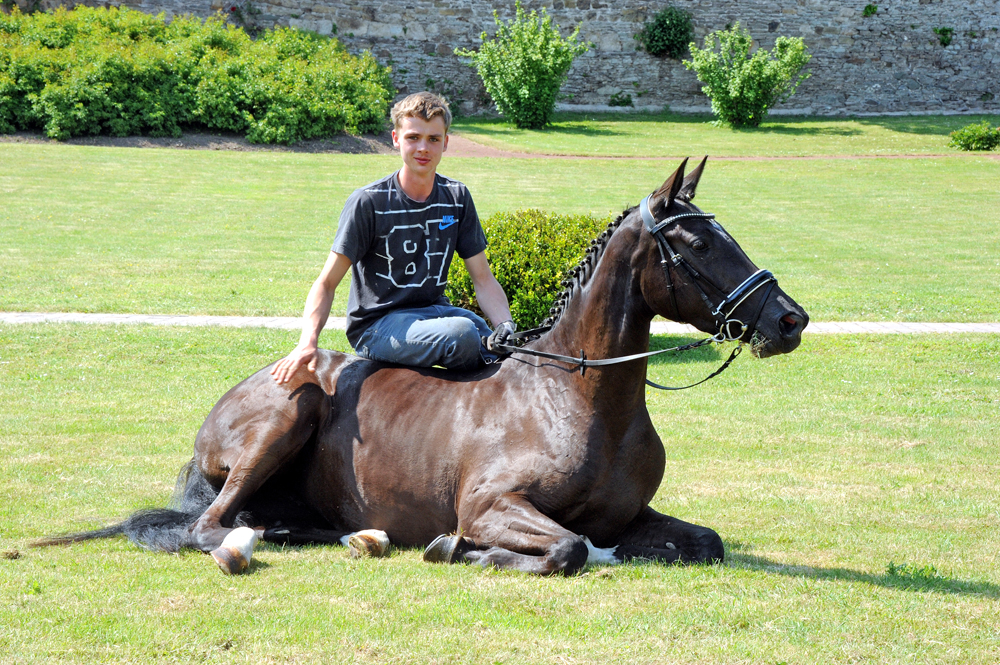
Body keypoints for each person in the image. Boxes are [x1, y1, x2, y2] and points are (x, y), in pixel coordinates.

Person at [271, 92, 516, 384]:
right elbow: (326, 282)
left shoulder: (457, 197)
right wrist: (307, 342)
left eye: (434, 139)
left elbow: (483, 279)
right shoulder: (369, 202)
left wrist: (506, 325)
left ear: (446, 143)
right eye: (413, 137)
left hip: (434, 314)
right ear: (396, 139)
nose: (423, 148)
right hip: (378, 326)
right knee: (463, 334)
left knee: (501, 341)